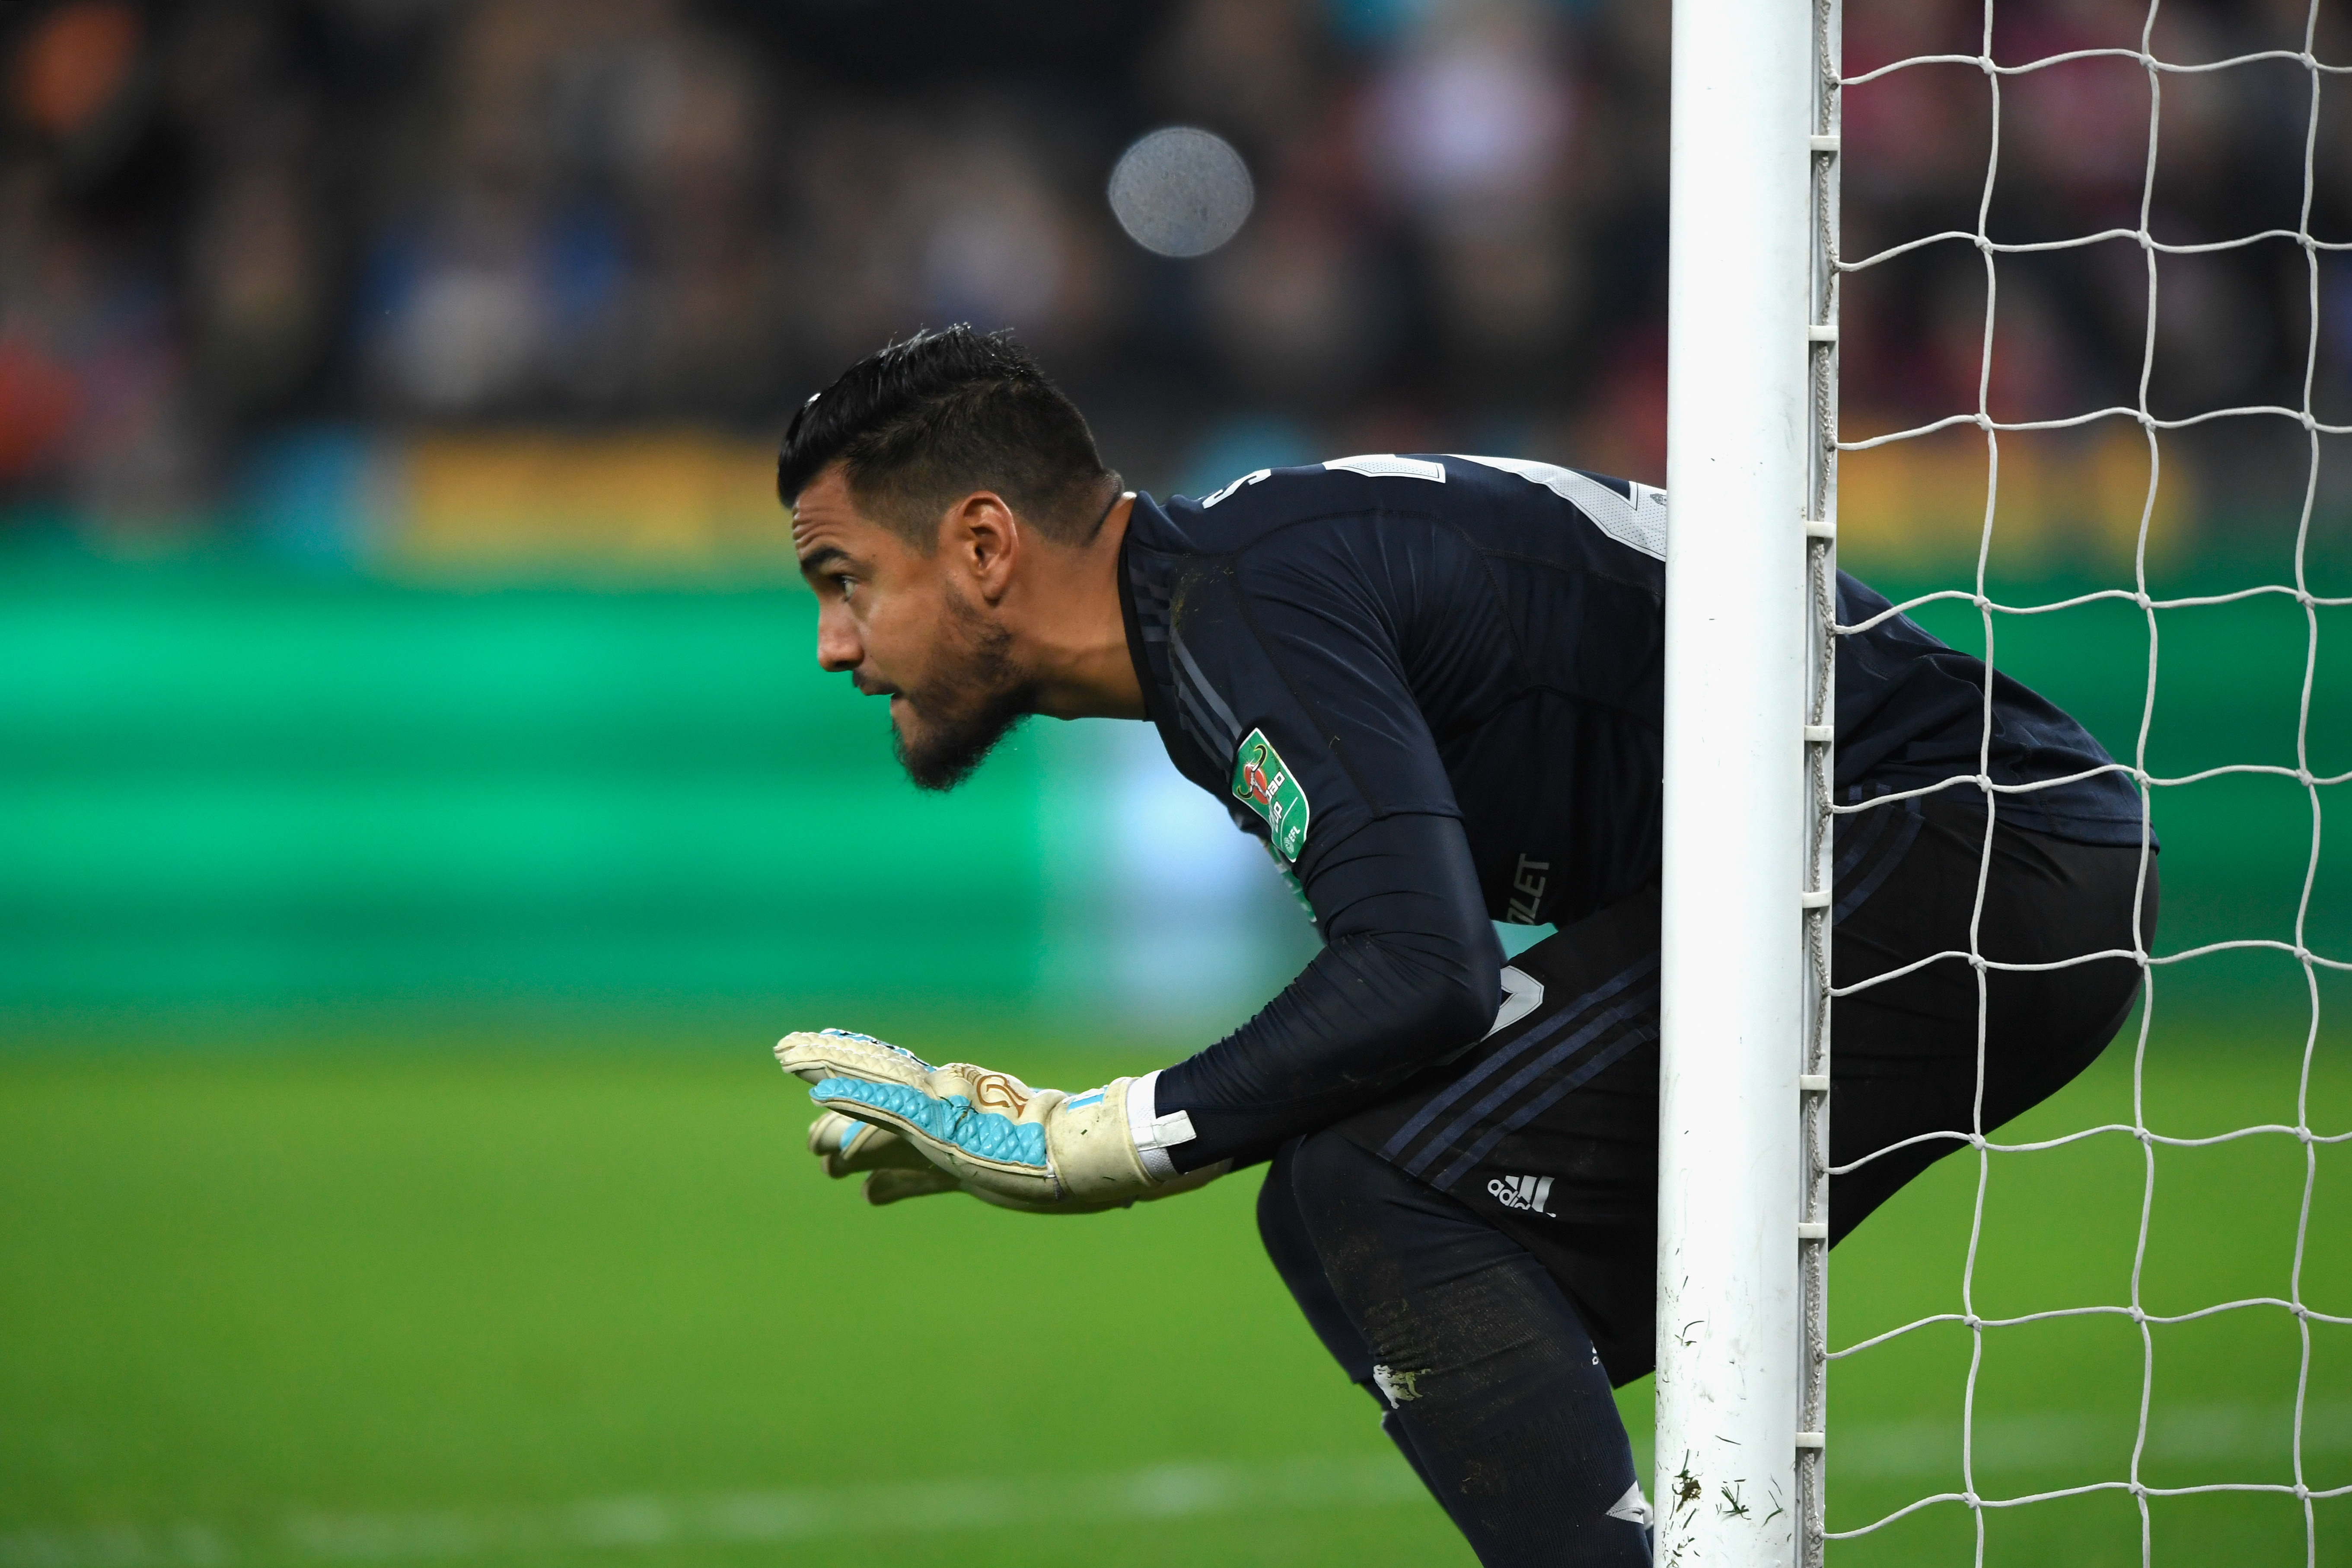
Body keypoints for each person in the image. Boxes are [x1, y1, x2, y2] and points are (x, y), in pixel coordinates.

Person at [768, 326, 2157, 1567]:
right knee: (1343, 1201)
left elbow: (1424, 969)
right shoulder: (1232, 591)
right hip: (1958, 859)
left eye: (844, 579)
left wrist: (1085, 1139)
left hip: (1960, 843)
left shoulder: (1238, 603)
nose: (834, 645)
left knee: (1371, 1185)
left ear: (984, 545)